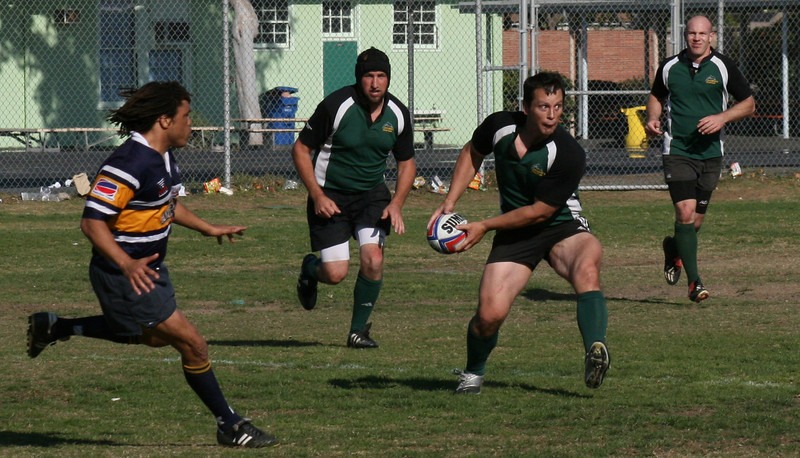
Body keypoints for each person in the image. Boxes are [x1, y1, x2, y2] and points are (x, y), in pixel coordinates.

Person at [26, 81, 277, 448]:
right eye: (186, 117)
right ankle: (230, 424)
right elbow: (92, 223)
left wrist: (207, 228)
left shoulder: (164, 157)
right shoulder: (128, 163)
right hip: (124, 274)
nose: (191, 124)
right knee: (193, 345)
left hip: (148, 270)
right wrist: (127, 265)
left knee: (153, 338)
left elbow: (168, 206)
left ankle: (56, 327)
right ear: (164, 120)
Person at [429, 72, 610, 394]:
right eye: (544, 106)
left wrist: (484, 225)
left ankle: (595, 348)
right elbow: (472, 151)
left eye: (557, 107)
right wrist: (450, 201)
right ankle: (473, 373)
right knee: (489, 316)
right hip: (515, 232)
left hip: (560, 226)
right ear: (526, 107)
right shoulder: (500, 126)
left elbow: (540, 211)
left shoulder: (569, 153)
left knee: (587, 267)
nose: (552, 115)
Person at [291, 47, 416, 349]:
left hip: (371, 197)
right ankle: (310, 270)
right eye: (369, 76)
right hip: (330, 195)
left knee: (373, 259)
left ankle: (358, 331)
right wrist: (317, 195)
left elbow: (407, 163)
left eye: (381, 76)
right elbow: (300, 150)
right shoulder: (336, 106)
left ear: (388, 79)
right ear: (359, 79)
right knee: (335, 274)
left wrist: (397, 202)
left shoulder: (397, 114)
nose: (375, 83)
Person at [646, 15, 755, 303]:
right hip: (677, 150)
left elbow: (748, 104)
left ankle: (674, 249)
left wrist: (722, 117)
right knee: (684, 212)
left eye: (702, 33)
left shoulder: (723, 66)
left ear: (711, 37)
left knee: (693, 223)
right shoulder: (670, 66)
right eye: (692, 33)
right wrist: (653, 118)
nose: (696, 38)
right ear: (685, 35)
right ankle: (695, 283)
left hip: (711, 153)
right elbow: (656, 95)